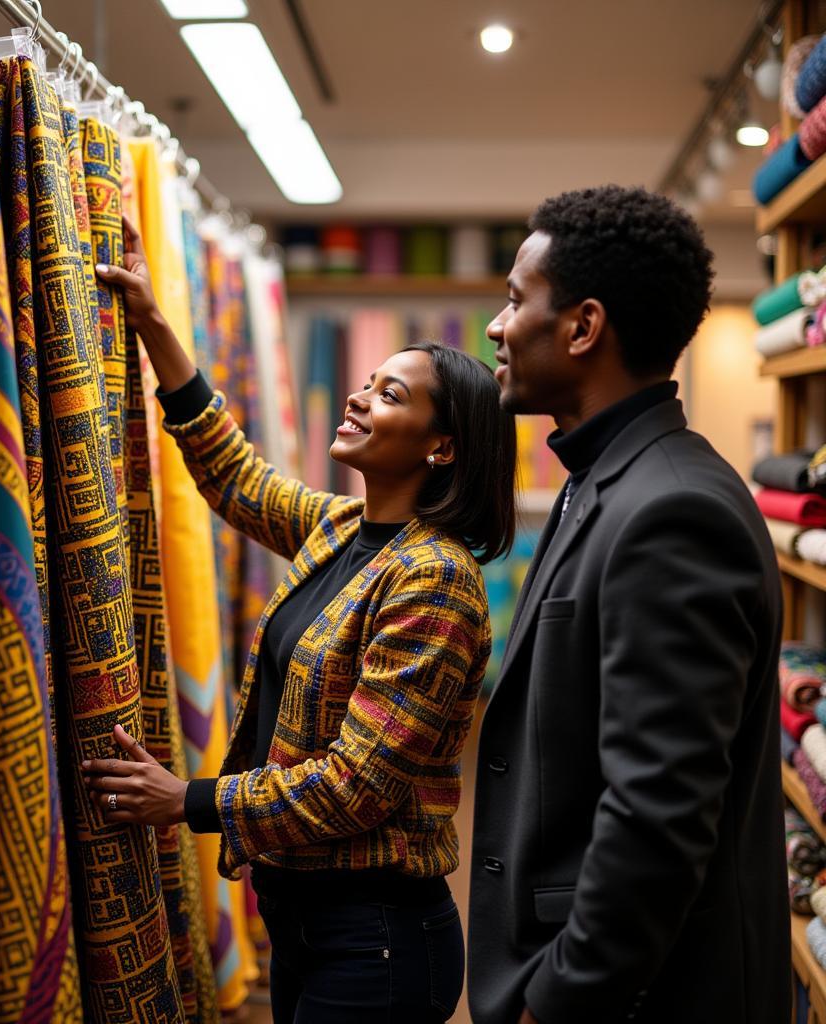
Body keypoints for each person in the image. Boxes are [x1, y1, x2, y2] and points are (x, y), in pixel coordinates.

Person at [81, 219, 517, 1023]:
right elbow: (232, 474)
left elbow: (358, 787)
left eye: (392, 394)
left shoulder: (436, 581)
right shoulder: (344, 531)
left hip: (377, 932)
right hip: (309, 916)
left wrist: (188, 800)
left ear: (442, 448)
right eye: (369, 382)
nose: (359, 395)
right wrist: (151, 324)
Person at [468, 184, 790, 1024]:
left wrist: (556, 1004)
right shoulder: (607, 482)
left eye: (514, 300)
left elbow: (658, 814)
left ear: (582, 327)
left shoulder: (672, 512)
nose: (496, 328)